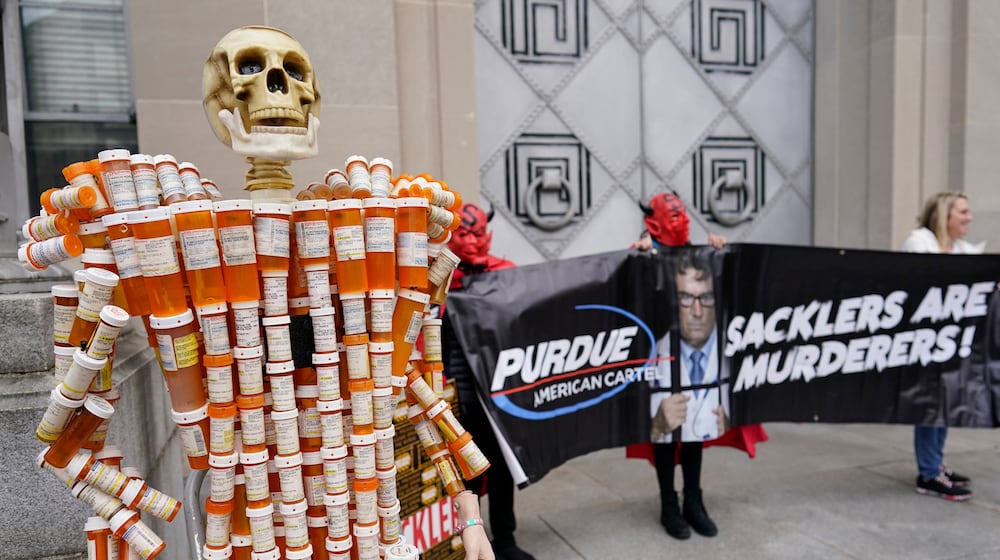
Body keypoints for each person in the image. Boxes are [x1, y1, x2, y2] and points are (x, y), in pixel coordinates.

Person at [628, 191, 767, 541]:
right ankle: (668, 503)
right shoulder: (643, 256)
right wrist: (639, 257)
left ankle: (693, 500)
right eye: (673, 215)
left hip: (698, 356)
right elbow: (630, 296)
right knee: (664, 431)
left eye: (683, 213)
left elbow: (730, 290)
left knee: (694, 429)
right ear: (654, 222)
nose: (683, 219)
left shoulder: (701, 256)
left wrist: (721, 255)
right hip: (660, 357)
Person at [441, 203, 534, 560]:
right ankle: (472, 542)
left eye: (478, 233)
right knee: (465, 475)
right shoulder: (440, 276)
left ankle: (505, 539)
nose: (472, 241)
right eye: (464, 233)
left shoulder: (504, 273)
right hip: (457, 396)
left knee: (501, 468)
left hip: (498, 395)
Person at [901, 191, 983, 501]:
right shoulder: (919, 243)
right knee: (930, 406)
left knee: (944, 404)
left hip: (951, 343)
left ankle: (935, 464)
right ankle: (928, 473)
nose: (969, 218)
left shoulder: (962, 249)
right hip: (925, 342)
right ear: (943, 215)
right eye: (963, 212)